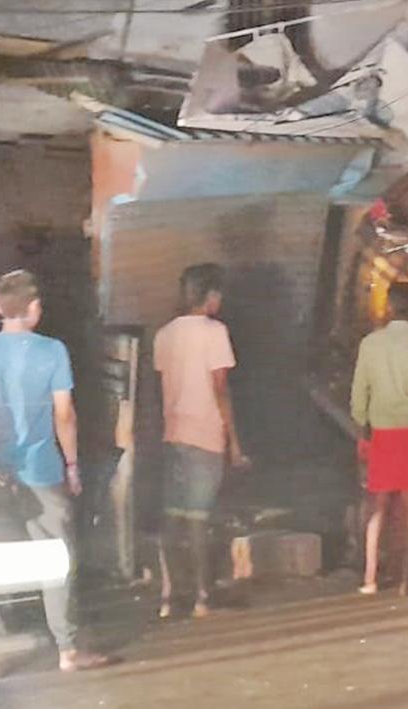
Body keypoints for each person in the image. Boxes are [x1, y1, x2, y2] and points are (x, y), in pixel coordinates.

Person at [0, 269, 110, 674]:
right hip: (43, 470)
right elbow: (63, 414)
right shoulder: (52, 350)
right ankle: (66, 650)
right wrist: (72, 465)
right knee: (56, 562)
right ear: (34, 308)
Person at [152, 262, 248, 620]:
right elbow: (220, 389)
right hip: (206, 434)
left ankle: (168, 595)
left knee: (172, 517)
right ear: (209, 296)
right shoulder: (215, 332)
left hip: (173, 433)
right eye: (218, 293)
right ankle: (202, 596)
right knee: (198, 519)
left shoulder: (164, 335)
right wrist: (234, 441)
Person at [351, 281, 408, 595]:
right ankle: (407, 576)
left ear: (390, 307)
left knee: (377, 505)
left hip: (381, 432)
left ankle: (370, 577)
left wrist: (362, 423)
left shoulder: (370, 343)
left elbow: (358, 394)